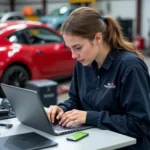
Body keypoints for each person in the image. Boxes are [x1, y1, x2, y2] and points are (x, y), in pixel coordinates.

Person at [45, 7, 150, 150]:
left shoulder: (130, 67)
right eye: (70, 48)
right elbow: (75, 101)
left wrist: (90, 117)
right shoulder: (82, 64)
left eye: (77, 47)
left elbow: (140, 124)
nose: (73, 55)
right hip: (94, 143)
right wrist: (61, 109)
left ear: (98, 38)